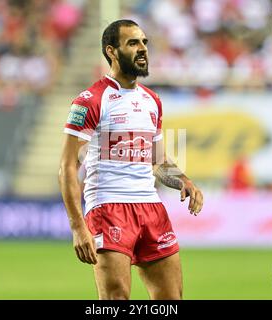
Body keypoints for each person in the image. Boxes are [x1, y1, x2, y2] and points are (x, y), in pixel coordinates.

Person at [58, 19, 203, 300]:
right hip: (109, 208)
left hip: (151, 208)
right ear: (112, 51)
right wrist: (78, 226)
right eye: (133, 43)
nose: (143, 49)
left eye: (144, 43)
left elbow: (157, 159)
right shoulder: (90, 100)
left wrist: (183, 180)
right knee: (116, 300)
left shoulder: (152, 100)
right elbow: (67, 166)